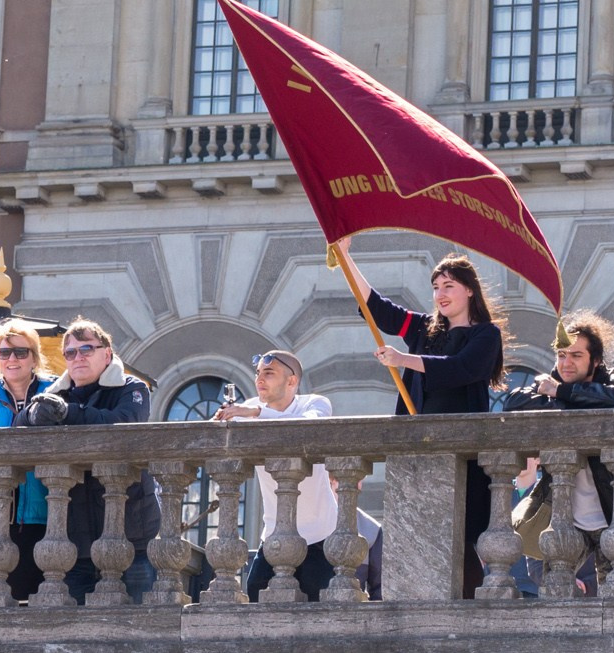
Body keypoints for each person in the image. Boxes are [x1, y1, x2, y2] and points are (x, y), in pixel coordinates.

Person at [334, 250, 506, 597]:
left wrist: (404, 359)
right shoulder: (423, 328)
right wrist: (346, 256)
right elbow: (378, 308)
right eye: (436, 287)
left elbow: (461, 369)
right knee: (417, 533)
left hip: (463, 452)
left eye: (449, 285)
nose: (441, 293)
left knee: (461, 538)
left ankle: (466, 610)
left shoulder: (486, 335)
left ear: (470, 290)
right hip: (416, 447)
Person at [505, 311, 614, 592]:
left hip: (613, 513)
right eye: (561, 355)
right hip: (565, 518)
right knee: (556, 597)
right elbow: (514, 402)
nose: (566, 362)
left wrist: (564, 394)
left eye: (576, 356)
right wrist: (564, 398)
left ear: (595, 360)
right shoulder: (547, 384)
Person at [24, 317, 159, 603]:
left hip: (132, 534)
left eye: (86, 349)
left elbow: (121, 426)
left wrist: (68, 414)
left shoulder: (132, 389)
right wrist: (32, 416)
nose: (78, 357)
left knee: (139, 627)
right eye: (70, 353)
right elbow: (17, 427)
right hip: (74, 540)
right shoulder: (54, 395)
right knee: (72, 634)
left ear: (107, 354)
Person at [215, 350, 339, 601]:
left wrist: (256, 414)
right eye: (258, 373)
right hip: (273, 534)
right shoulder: (248, 408)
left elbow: (304, 429)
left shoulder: (316, 402)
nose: (259, 379)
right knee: (256, 599)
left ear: (292, 381)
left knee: (321, 617)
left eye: (269, 373)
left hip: (321, 537)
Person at [0, 320, 56, 601]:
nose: (12, 359)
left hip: (44, 516)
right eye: (4, 353)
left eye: (20, 352)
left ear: (34, 357)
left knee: (39, 604)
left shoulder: (55, 395)